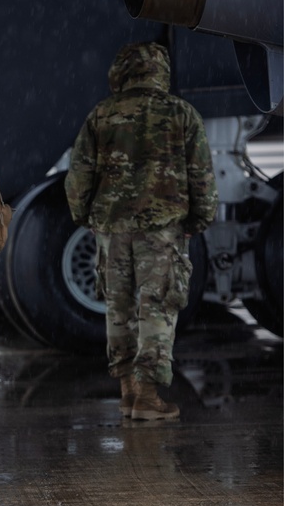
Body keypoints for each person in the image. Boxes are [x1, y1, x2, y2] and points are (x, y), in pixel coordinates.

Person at [65, 41, 218, 420]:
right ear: (161, 71)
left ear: (122, 72)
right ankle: (148, 396)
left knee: (118, 308)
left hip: (111, 229)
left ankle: (128, 392)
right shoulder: (181, 113)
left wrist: (86, 217)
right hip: (162, 229)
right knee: (158, 305)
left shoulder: (101, 114)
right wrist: (197, 222)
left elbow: (78, 176)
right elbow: (202, 177)